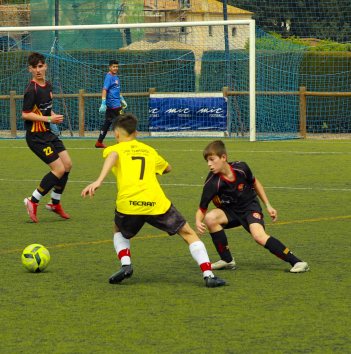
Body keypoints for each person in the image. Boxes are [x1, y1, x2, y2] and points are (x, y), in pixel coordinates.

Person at [81, 113, 226, 287]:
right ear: (136, 133)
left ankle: (126, 265)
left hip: (129, 204)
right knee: (188, 234)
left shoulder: (114, 149)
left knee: (118, 229)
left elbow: (113, 156)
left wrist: (99, 180)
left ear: (117, 134)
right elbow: (168, 168)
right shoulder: (149, 150)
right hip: (156, 203)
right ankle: (208, 275)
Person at [195, 140, 309, 273]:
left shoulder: (241, 168)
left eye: (212, 159)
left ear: (223, 157)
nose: (209, 164)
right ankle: (227, 260)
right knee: (210, 218)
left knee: (259, 236)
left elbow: (256, 184)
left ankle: (297, 262)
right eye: (207, 161)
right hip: (229, 211)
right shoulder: (212, 183)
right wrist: (198, 221)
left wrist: (268, 205)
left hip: (250, 206)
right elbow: (201, 209)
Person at [22, 52, 72, 223]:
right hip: (36, 137)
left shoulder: (48, 86)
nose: (38, 70)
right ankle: (32, 201)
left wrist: (53, 115)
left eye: (41, 66)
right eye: (34, 67)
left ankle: (55, 203)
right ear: (30, 69)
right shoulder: (31, 90)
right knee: (58, 169)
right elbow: (26, 114)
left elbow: (45, 109)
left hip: (47, 133)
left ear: (45, 67)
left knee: (67, 165)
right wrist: (49, 119)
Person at [95, 60, 127, 149]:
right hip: (114, 104)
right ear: (109, 67)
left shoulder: (115, 77)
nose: (115, 68)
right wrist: (103, 103)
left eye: (117, 67)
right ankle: (123, 144)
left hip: (114, 103)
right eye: (114, 67)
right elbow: (104, 90)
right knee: (122, 122)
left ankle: (99, 142)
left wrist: (122, 99)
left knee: (107, 122)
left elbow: (116, 90)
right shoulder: (109, 77)